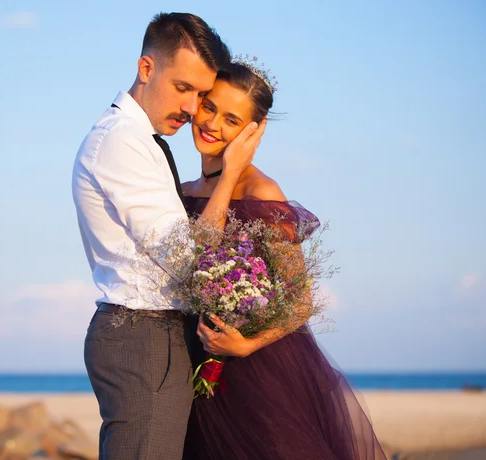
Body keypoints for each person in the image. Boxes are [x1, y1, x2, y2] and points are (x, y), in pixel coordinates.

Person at [71, 13, 266, 460]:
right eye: (184, 89)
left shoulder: (142, 139)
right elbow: (188, 257)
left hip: (154, 335)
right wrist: (232, 171)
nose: (194, 109)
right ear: (146, 69)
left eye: (201, 94)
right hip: (143, 335)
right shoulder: (123, 141)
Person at [181, 58, 388, 459]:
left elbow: (300, 300)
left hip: (256, 369)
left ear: (253, 132)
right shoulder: (182, 188)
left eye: (232, 120)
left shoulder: (263, 192)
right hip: (194, 364)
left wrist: (245, 345)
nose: (213, 125)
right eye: (209, 107)